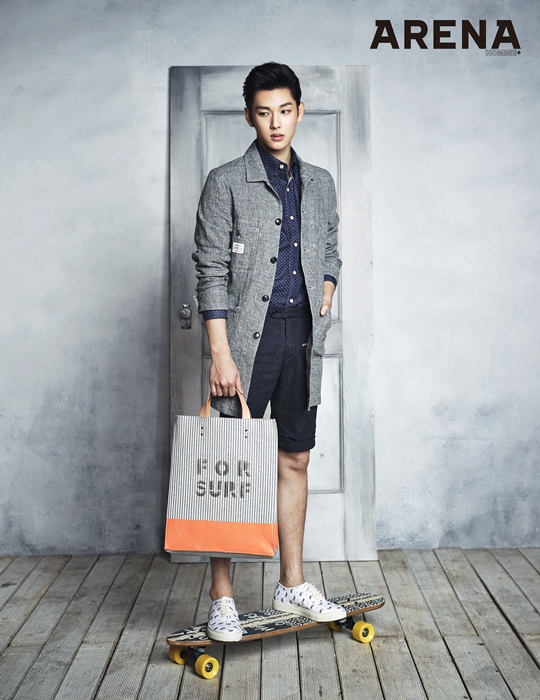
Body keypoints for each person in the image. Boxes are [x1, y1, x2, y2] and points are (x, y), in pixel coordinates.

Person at [192, 62, 344, 642]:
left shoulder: (321, 182)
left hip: (301, 337)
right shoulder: (226, 181)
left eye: (285, 110)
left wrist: (328, 280)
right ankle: (222, 598)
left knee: (294, 459)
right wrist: (220, 355)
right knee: (228, 466)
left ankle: (291, 583)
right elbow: (209, 270)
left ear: (300, 111)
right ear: (249, 116)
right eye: (264, 112)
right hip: (243, 342)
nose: (276, 123)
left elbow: (330, 243)